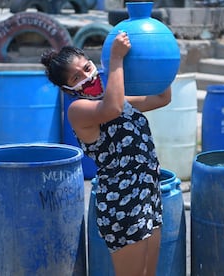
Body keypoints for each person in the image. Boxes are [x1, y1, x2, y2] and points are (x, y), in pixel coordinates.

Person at [40, 32, 171, 275]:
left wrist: (163, 57)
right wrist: (117, 59)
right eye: (76, 77)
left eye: (87, 67)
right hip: (122, 204)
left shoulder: (121, 100)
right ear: (69, 89)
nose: (87, 76)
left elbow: (162, 98)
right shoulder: (79, 110)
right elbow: (112, 108)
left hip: (148, 196)